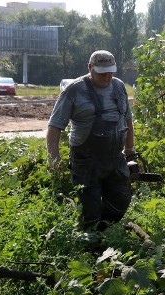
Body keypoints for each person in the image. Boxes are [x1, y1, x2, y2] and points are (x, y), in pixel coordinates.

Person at [47, 50, 135, 232]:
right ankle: (90, 244)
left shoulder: (118, 86)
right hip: (86, 161)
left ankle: (101, 231)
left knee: (121, 201)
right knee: (90, 208)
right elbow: (55, 126)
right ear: (90, 68)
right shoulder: (74, 90)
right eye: (102, 72)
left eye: (111, 71)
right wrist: (54, 158)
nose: (107, 76)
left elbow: (127, 119)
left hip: (114, 158)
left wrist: (130, 149)